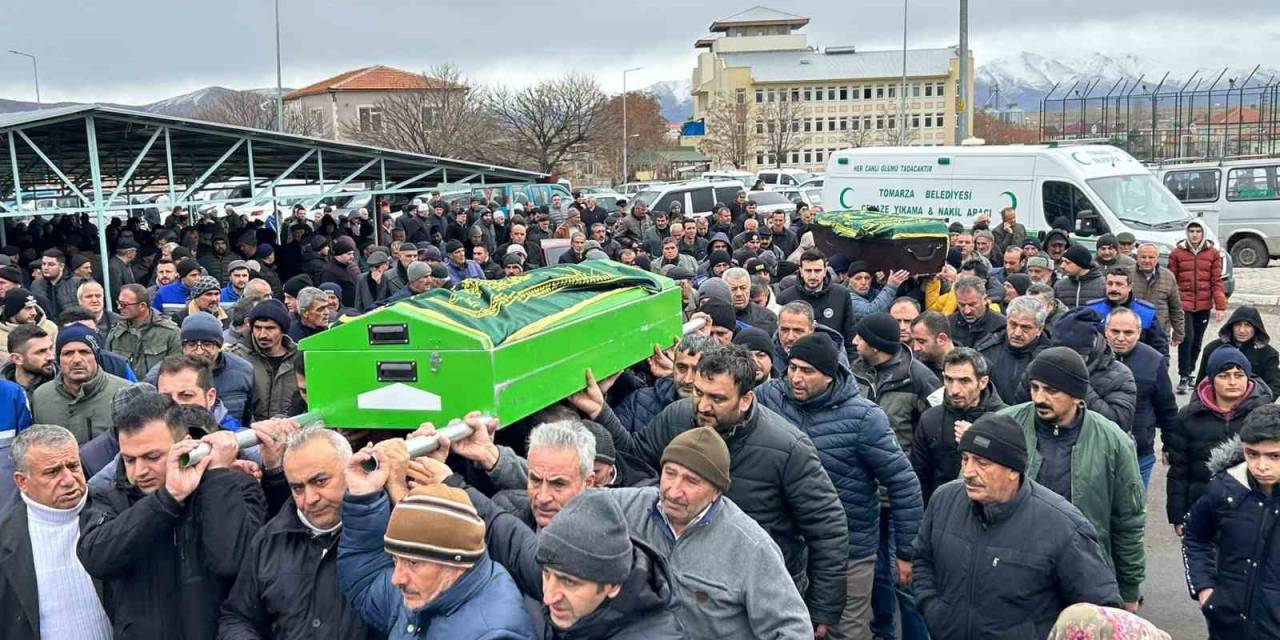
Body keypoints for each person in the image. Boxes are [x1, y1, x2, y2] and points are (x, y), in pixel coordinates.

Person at [576, 345, 849, 636]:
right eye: (699, 392)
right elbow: (637, 456)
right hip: (687, 593)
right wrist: (600, 411)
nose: (703, 406)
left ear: (746, 400)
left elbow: (827, 528)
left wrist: (822, 608)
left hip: (756, 599)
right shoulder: (678, 417)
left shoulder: (788, 448)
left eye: (717, 398)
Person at [755, 333, 923, 640]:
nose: (796, 377)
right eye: (792, 368)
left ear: (830, 376)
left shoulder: (864, 418)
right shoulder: (769, 398)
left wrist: (907, 552)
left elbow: (903, 482)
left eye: (807, 371)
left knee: (842, 633)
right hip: (786, 547)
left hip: (850, 552)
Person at [912, 414, 1122, 640]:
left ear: (1014, 470)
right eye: (965, 459)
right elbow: (923, 558)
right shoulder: (944, 500)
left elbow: (1103, 613)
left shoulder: (1063, 527)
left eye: (982, 463)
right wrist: (933, 610)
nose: (969, 472)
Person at [77, 392, 267, 640]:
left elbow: (232, 561)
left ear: (186, 444)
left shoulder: (234, 485)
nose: (140, 471)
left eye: (153, 457)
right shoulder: (108, 495)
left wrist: (218, 478)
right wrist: (167, 499)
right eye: (129, 459)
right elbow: (96, 557)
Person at [1000, 347, 1146, 610]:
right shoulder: (1006, 426)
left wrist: (1129, 590)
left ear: (1078, 396)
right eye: (1034, 388)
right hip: (1014, 569)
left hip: (1083, 573)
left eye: (1051, 390)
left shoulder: (1114, 442)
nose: (1039, 398)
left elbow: (1128, 522)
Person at [337, 448, 535, 639]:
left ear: (458, 561)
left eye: (413, 562)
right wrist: (363, 496)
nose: (396, 579)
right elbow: (367, 582)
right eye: (396, 560)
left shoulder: (494, 633)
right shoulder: (427, 590)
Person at [218, 425, 375, 639]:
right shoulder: (268, 541)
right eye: (297, 488)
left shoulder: (381, 534)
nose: (310, 499)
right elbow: (237, 616)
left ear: (350, 470)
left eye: (320, 481)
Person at [0, 425, 112, 640]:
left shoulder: (113, 508)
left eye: (73, 466)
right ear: (22, 481)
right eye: (52, 472)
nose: (69, 480)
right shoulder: (6, 539)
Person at [1182, 405, 1280, 639]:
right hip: (1227, 625)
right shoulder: (1224, 487)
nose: (1261, 465)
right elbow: (1195, 536)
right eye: (1252, 454)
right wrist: (1205, 589)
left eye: (1274, 456)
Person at [1166, 345, 1273, 533]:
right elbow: (1179, 471)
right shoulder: (1189, 417)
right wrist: (1178, 515)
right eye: (1224, 376)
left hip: (1254, 514)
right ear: (1211, 379)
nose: (1232, 382)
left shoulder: (1264, 415)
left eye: (1238, 375)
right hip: (1204, 509)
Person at [912, 348, 1007, 505]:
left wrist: (976, 439)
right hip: (944, 510)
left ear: (983, 382)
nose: (954, 390)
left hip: (992, 511)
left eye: (964, 381)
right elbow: (920, 476)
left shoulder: (1005, 418)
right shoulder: (930, 419)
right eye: (949, 380)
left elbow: (1014, 471)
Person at [1105, 309, 1177, 490]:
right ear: (1106, 331)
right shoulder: (1091, 358)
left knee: (1133, 511)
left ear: (1138, 333)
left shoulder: (1154, 361)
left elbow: (1166, 407)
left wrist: (1170, 445)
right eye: (1115, 331)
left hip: (1139, 453)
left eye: (1128, 333)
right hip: (1099, 452)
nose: (1121, 338)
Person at [145, 312, 256, 427]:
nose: (199, 351)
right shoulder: (160, 375)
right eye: (191, 344)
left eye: (207, 344)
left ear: (219, 345)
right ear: (182, 347)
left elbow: (251, 416)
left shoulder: (243, 371)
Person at [30, 324, 133, 444]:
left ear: (96, 357)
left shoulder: (125, 393)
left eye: (85, 352)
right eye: (68, 353)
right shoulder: (41, 397)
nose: (77, 360)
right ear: (58, 361)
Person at [1038, 308, 1138, 433]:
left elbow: (1118, 425)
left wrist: (1078, 382)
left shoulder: (1120, 375)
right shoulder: (1041, 365)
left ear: (1091, 350)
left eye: (1076, 356)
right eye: (1061, 354)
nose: (1066, 361)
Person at [615, 334, 716, 432]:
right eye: (681, 368)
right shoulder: (638, 400)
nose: (687, 379)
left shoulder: (721, 413)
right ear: (673, 366)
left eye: (696, 370)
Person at [1170, 219, 1227, 393]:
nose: (1194, 235)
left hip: (1203, 305)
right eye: (1191, 231)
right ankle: (1183, 375)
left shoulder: (1212, 253)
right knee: (1186, 339)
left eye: (1198, 231)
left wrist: (1220, 306)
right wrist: (1171, 304)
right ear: (1187, 233)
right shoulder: (1177, 253)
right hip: (1183, 304)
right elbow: (1171, 280)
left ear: (1203, 233)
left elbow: (1216, 281)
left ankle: (1191, 371)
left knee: (1197, 342)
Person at [227, 299, 299, 420]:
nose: (262, 335)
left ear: (283, 330)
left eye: (270, 328)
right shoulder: (237, 358)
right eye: (257, 328)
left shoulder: (300, 359)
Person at [777, 249, 858, 353]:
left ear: (825, 271)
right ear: (800, 271)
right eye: (808, 271)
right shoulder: (785, 298)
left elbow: (850, 335)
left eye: (817, 271)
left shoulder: (841, 295)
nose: (813, 276)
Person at [978, 295, 1050, 403]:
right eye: (1013, 325)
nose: (1017, 333)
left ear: (1039, 329)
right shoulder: (986, 350)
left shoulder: (1048, 360)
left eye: (1025, 327)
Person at [1196, 305, 1280, 394]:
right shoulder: (1213, 348)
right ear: (1231, 326)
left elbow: (1274, 386)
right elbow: (1201, 384)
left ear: (1256, 328)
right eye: (1238, 325)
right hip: (1217, 402)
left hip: (1253, 403)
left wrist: (1258, 403)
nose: (1242, 330)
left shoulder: (1268, 354)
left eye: (1248, 325)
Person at [1085, 267, 1168, 356]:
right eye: (1110, 284)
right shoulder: (1092, 309)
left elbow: (1160, 347)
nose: (1113, 288)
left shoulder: (1146, 312)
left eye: (1119, 284)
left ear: (1130, 286)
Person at [105, 283, 182, 379]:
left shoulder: (169, 332)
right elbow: (107, 368)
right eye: (119, 303)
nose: (119, 308)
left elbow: (177, 369)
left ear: (142, 306)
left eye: (124, 305)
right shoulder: (116, 332)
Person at [1130, 243, 1184, 346]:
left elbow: (1176, 308)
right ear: (1137, 257)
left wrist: (1178, 333)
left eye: (1151, 257)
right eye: (1143, 257)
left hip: (1160, 334)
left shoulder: (1168, 276)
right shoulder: (1127, 274)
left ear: (1157, 258)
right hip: (1132, 333)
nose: (1147, 260)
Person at [0, 287, 59, 360]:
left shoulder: (49, 328)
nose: (34, 313)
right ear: (13, 310)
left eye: (34, 307)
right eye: (28, 308)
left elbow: (55, 361)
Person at [948, 276, 1006, 349]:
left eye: (972, 305)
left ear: (985, 299)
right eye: (962, 305)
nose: (967, 311)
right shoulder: (948, 323)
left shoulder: (1001, 326)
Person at [723, 267, 778, 336]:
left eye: (743, 288)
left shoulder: (768, 317)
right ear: (724, 290)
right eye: (733, 289)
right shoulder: (716, 316)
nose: (739, 294)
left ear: (749, 288)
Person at [3, 324, 54, 392]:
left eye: (50, 348)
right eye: (41, 351)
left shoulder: (67, 387)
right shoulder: (3, 392)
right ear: (17, 359)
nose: (51, 357)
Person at [909, 311, 955, 378]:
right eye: (913, 341)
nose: (916, 348)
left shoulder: (969, 367)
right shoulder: (912, 369)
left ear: (942, 339)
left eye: (921, 341)